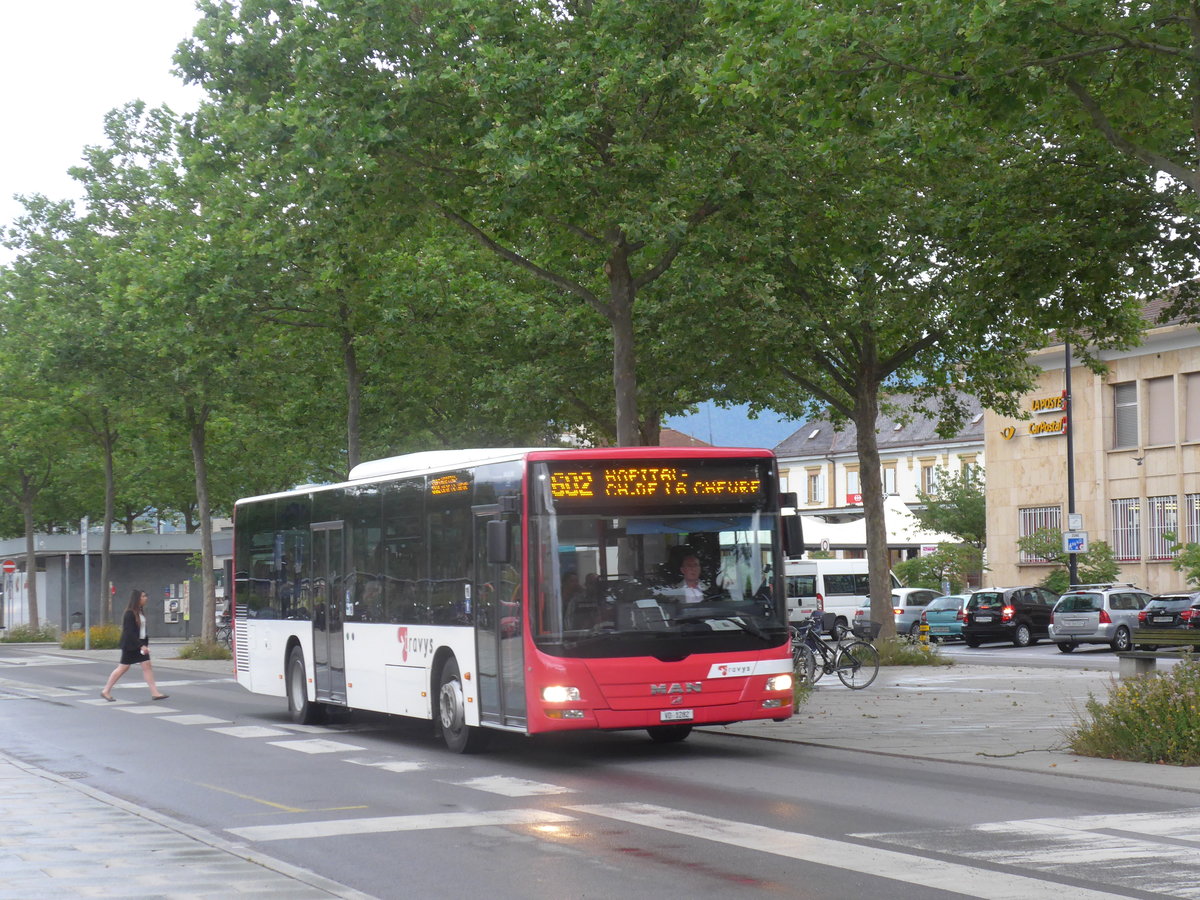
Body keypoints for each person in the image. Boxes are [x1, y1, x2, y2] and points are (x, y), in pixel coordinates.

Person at [101, 589, 169, 701]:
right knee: (123, 667)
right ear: (137, 599)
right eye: (143, 596)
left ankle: (155, 692)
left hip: (139, 644)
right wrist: (140, 646)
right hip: (130, 645)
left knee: (147, 666)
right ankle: (106, 690)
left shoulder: (140, 612)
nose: (146, 598)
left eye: (145, 596)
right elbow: (129, 632)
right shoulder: (129, 613)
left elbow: (142, 631)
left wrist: (145, 644)